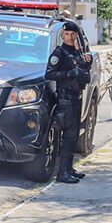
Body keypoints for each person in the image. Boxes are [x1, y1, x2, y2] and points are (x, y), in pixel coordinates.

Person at [44, 21, 93, 184]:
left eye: (73, 34)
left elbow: (83, 70)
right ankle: (62, 173)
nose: (70, 37)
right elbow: (49, 74)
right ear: (62, 35)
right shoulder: (59, 53)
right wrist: (70, 73)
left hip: (76, 97)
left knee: (73, 136)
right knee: (67, 136)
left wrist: (88, 62)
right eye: (67, 34)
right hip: (65, 99)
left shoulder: (77, 51)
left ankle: (69, 169)